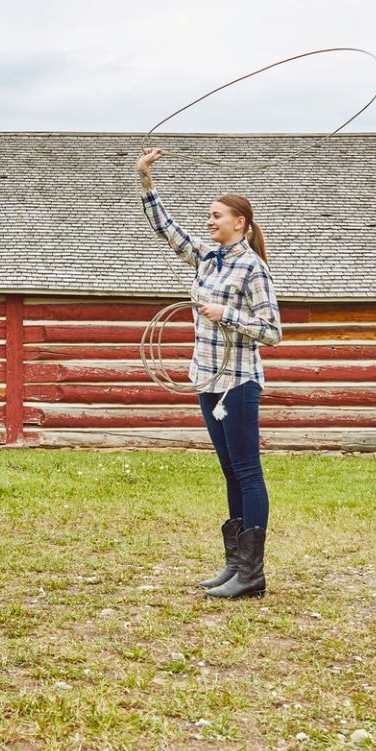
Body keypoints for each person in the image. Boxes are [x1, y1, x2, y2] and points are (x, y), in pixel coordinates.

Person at [136, 146, 283, 599]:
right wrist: (146, 180)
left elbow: (273, 331)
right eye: (208, 215)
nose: (208, 221)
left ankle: (252, 574)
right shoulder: (208, 257)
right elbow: (168, 230)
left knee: (247, 470)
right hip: (208, 379)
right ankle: (234, 565)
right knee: (229, 471)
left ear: (240, 222)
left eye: (216, 215)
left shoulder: (252, 269)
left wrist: (226, 313)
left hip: (238, 382)